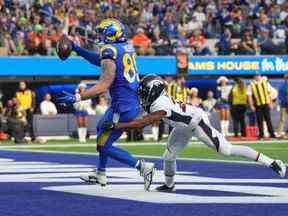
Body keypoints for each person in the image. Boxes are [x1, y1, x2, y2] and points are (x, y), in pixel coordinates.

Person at [101, 75, 286, 192]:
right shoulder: (155, 99)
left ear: (153, 92)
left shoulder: (160, 105)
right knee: (168, 157)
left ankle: (271, 162)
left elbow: (142, 123)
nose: (141, 95)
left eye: (144, 92)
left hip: (196, 122)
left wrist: (117, 126)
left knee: (226, 150)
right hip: (181, 126)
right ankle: (169, 185)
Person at [57, 18, 155, 191]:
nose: (100, 36)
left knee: (103, 145)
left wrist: (78, 97)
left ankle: (143, 167)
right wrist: (77, 49)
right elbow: (101, 60)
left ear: (112, 34)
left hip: (123, 107)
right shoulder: (125, 46)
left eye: (103, 33)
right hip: (126, 102)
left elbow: (104, 84)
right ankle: (101, 173)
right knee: (102, 130)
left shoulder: (111, 50)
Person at [247, 74, 276, 139]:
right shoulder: (251, 84)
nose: (257, 77)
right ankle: (261, 135)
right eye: (256, 75)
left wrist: (270, 103)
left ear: (260, 76)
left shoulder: (265, 82)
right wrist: (251, 105)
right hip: (258, 105)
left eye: (258, 75)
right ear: (254, 77)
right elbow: (249, 96)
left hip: (266, 103)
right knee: (259, 120)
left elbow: (269, 93)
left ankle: (272, 134)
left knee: (268, 119)